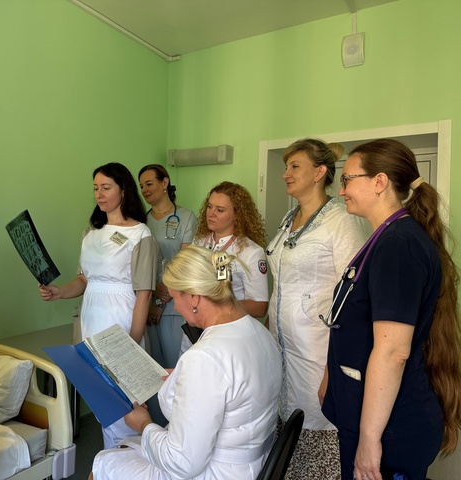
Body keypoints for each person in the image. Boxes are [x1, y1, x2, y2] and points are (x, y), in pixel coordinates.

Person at [321, 138, 461, 480]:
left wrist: (369, 440)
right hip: (372, 418)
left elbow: (393, 351)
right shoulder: (385, 238)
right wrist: (331, 379)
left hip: (389, 430)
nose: (341, 190)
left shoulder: (398, 244)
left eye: (348, 179)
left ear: (379, 182)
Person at [90, 245, 282, 480]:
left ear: (194, 297)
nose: (175, 307)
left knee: (101, 466)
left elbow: (181, 463)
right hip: (253, 463)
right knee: (120, 454)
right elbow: (231, 385)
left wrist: (143, 423)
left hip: (216, 472)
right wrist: (184, 378)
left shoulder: (205, 357)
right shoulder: (259, 332)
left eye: (174, 298)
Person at [266, 138, 368, 479]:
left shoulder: (341, 221)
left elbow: (353, 297)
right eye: (286, 166)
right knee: (287, 437)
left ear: (319, 172)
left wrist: (331, 371)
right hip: (282, 350)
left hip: (318, 353)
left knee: (317, 425)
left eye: (295, 166)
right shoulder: (289, 218)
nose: (286, 174)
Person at [39, 162, 159, 449]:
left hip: (122, 319)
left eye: (106, 188)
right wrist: (60, 292)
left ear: (124, 190)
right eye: (95, 188)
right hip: (92, 318)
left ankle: (129, 460)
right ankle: (110, 460)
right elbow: (84, 279)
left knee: (124, 398)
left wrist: (132, 342)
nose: (99, 194)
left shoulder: (141, 235)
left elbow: (144, 294)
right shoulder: (90, 234)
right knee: (102, 399)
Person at [180, 181, 269, 353]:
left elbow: (260, 307)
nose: (211, 214)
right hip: (193, 332)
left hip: (227, 335)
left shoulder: (251, 252)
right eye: (209, 207)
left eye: (220, 210)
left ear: (237, 215)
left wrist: (217, 305)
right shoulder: (199, 242)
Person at [138, 164, 197, 369]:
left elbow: (184, 263)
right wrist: (153, 290)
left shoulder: (187, 217)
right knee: (150, 368)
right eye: (141, 186)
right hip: (145, 303)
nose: (144, 190)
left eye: (149, 184)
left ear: (165, 183)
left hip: (175, 305)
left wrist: (160, 302)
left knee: (175, 366)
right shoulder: (140, 222)